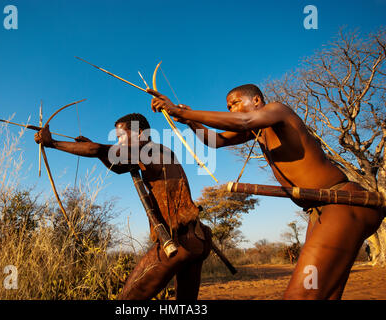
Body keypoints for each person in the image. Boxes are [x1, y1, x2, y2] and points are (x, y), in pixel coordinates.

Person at [148, 84, 384, 299]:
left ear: (257, 101)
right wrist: (189, 121)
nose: (231, 110)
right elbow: (216, 141)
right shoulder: (256, 132)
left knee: (301, 294)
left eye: (236, 103)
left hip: (343, 202)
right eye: (228, 106)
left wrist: (184, 113)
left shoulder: (278, 111)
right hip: (321, 211)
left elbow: (243, 122)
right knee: (324, 293)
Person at [34, 113, 211, 300]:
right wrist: (93, 148)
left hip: (179, 241)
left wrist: (52, 143)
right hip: (198, 238)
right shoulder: (158, 150)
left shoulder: (145, 149)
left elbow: (96, 149)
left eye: (120, 136)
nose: (118, 141)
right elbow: (117, 166)